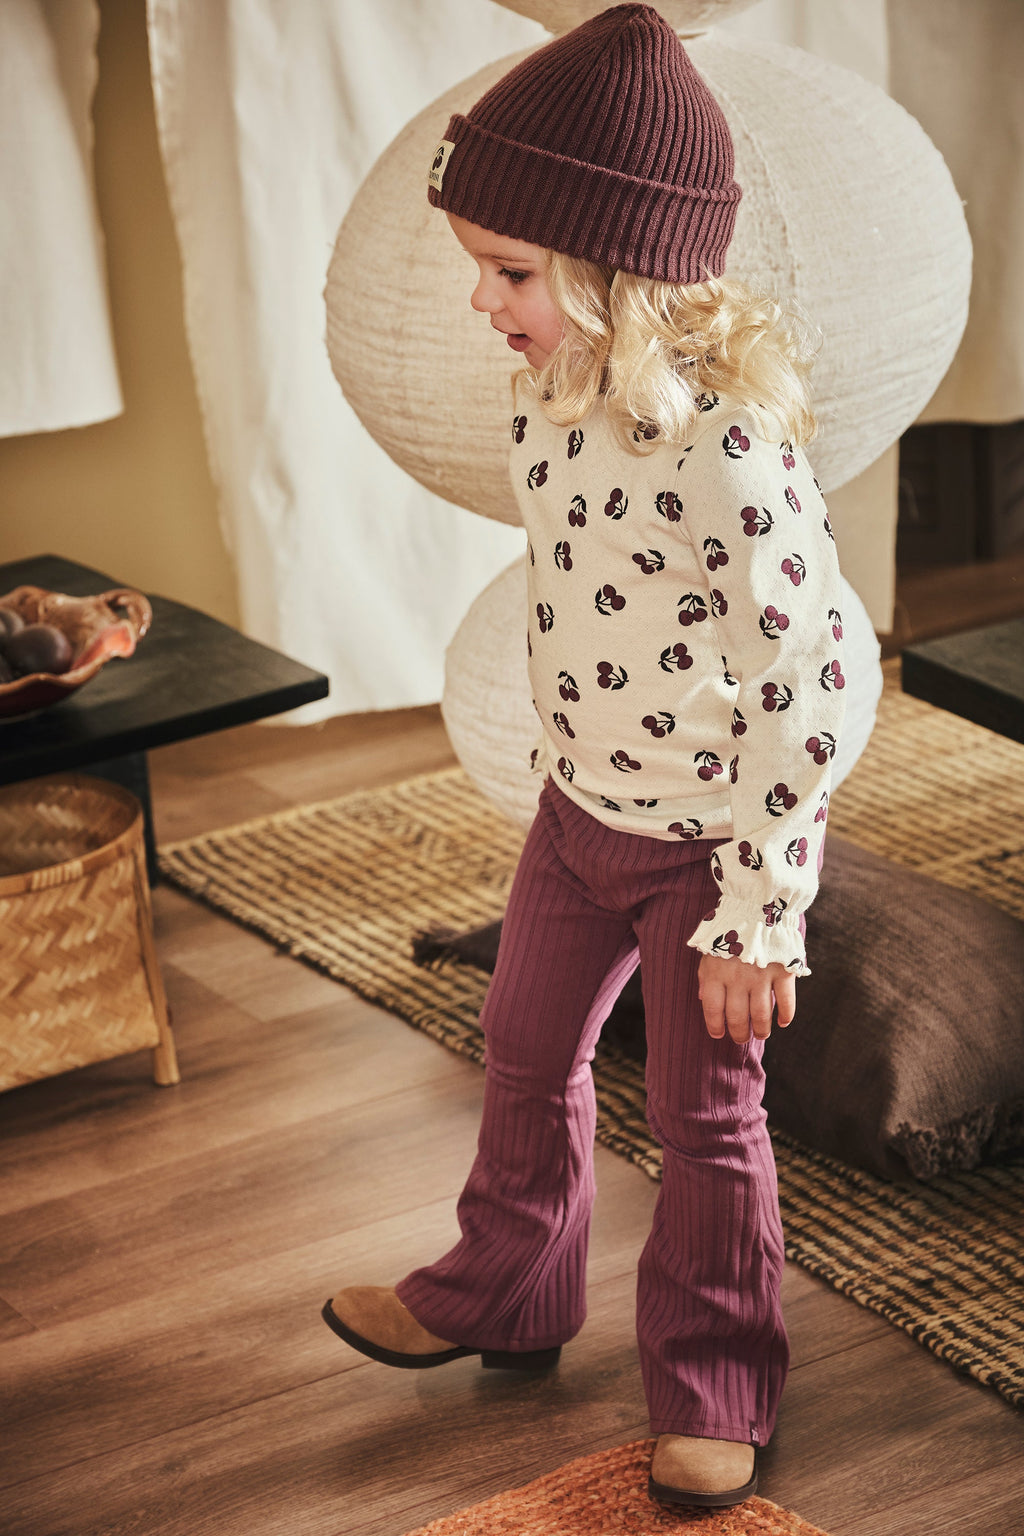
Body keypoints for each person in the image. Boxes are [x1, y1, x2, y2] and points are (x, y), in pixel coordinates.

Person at [323, 3, 846, 1510]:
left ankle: (716, 1379)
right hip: (577, 817)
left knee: (705, 1123)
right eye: (479, 267)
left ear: (624, 271)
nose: (483, 301)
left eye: (511, 273)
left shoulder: (731, 450)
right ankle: (508, 1287)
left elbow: (806, 684)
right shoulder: (550, 400)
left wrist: (761, 908)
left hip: (706, 854)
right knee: (522, 1048)